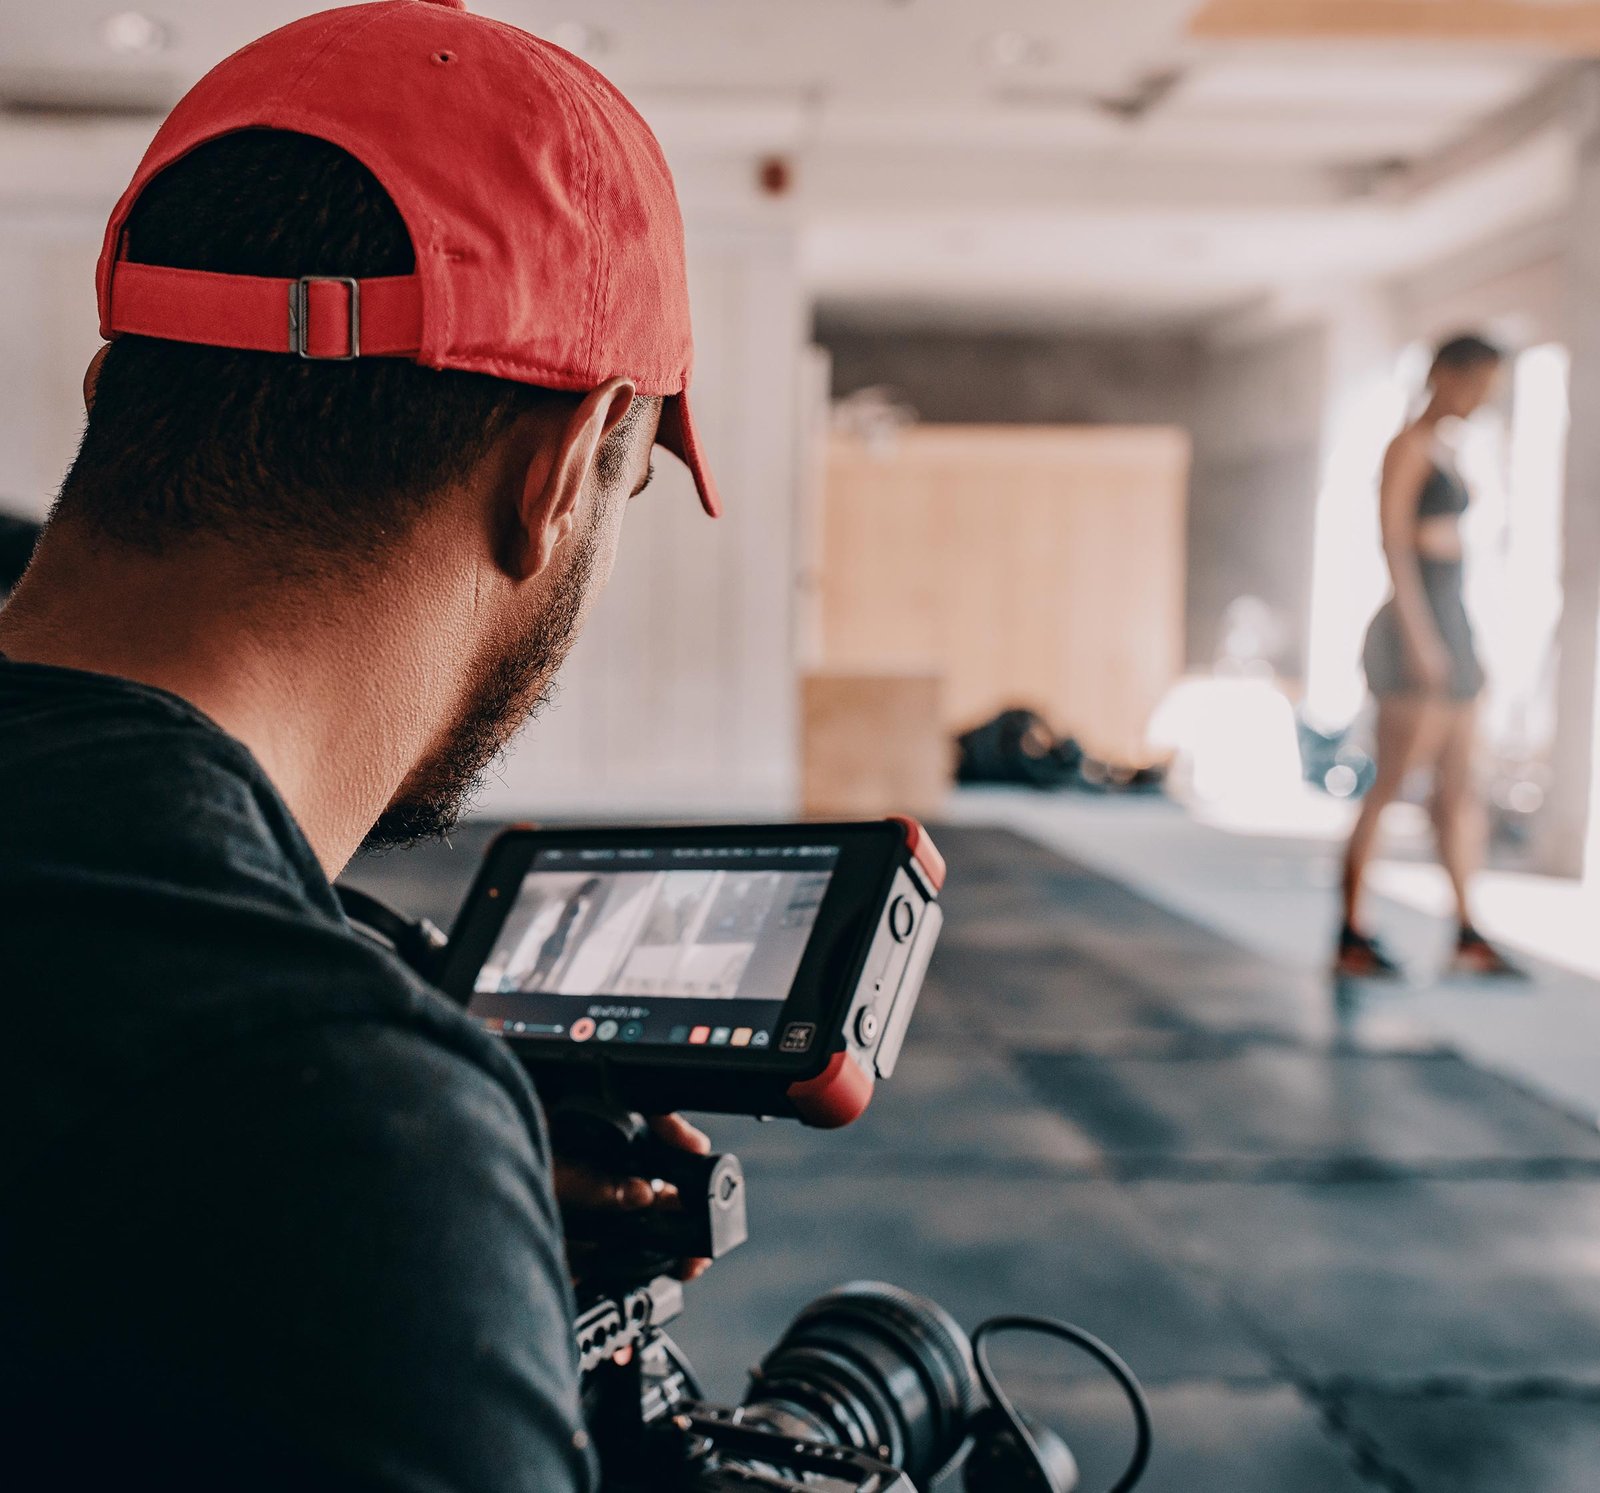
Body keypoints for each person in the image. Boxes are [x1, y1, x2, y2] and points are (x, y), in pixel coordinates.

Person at [0, 3, 723, 1488]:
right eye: (629, 489)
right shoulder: (330, 1121)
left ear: (110, 391)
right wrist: (423, 1228)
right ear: (559, 476)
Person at [1337, 332, 1524, 980]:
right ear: (1445, 374)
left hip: (1453, 617)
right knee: (1392, 781)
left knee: (1460, 788)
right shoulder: (1408, 446)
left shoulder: (1449, 448)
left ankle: (1468, 931)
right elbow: (1393, 542)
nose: (1481, 399)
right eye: (1476, 384)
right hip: (1417, 623)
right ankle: (1351, 932)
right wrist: (1421, 637)